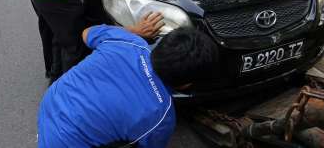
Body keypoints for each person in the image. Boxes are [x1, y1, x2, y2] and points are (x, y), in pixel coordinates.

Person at [38, 18, 219, 148]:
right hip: (70, 141)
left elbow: (86, 34)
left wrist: (134, 31)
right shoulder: (161, 115)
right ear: (187, 84)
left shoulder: (129, 41)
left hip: (52, 101)